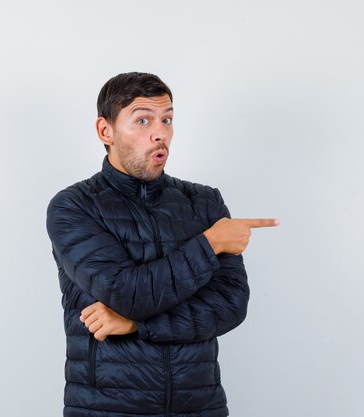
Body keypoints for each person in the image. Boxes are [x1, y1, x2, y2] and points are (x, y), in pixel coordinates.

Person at [46, 72, 278, 417]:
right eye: (143, 120)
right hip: (107, 410)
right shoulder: (74, 206)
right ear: (105, 131)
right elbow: (126, 293)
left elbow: (230, 305)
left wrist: (137, 325)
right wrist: (210, 243)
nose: (160, 133)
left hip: (200, 407)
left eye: (167, 119)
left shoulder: (204, 202)